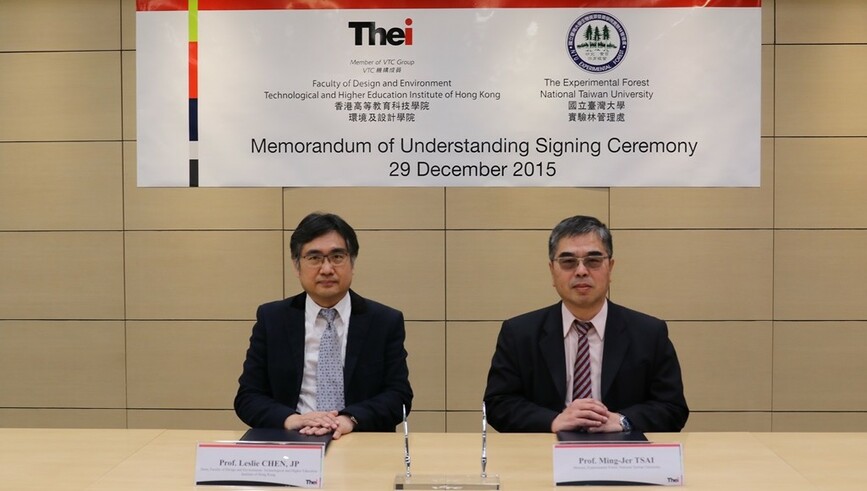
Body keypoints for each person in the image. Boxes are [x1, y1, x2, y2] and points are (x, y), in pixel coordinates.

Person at [483, 215, 688, 433]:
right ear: (552, 271)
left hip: (623, 458)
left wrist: (622, 421)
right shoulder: (519, 333)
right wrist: (553, 421)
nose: (581, 271)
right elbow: (498, 403)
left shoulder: (649, 333)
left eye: (593, 260)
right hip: (544, 455)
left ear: (610, 268)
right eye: (568, 261)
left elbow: (672, 407)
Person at [234, 212, 413, 439]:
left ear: (353, 262)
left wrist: (348, 419)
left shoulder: (384, 321)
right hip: (289, 444)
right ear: (297, 266)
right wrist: (293, 419)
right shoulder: (272, 319)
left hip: (358, 439)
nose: (327, 269)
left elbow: (398, 396)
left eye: (337, 257)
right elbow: (248, 396)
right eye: (314, 258)